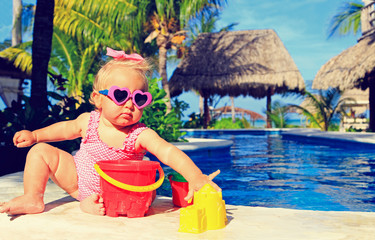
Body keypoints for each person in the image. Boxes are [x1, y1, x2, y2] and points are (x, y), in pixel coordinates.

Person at [0, 47, 221, 216]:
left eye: (139, 98)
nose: (129, 105)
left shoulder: (140, 134)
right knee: (40, 152)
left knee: (141, 189)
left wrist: (195, 176)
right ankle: (32, 198)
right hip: (77, 180)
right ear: (98, 98)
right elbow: (65, 129)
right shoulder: (89, 121)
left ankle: (93, 204)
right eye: (120, 95)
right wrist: (36, 135)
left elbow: (168, 152)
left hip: (119, 192)